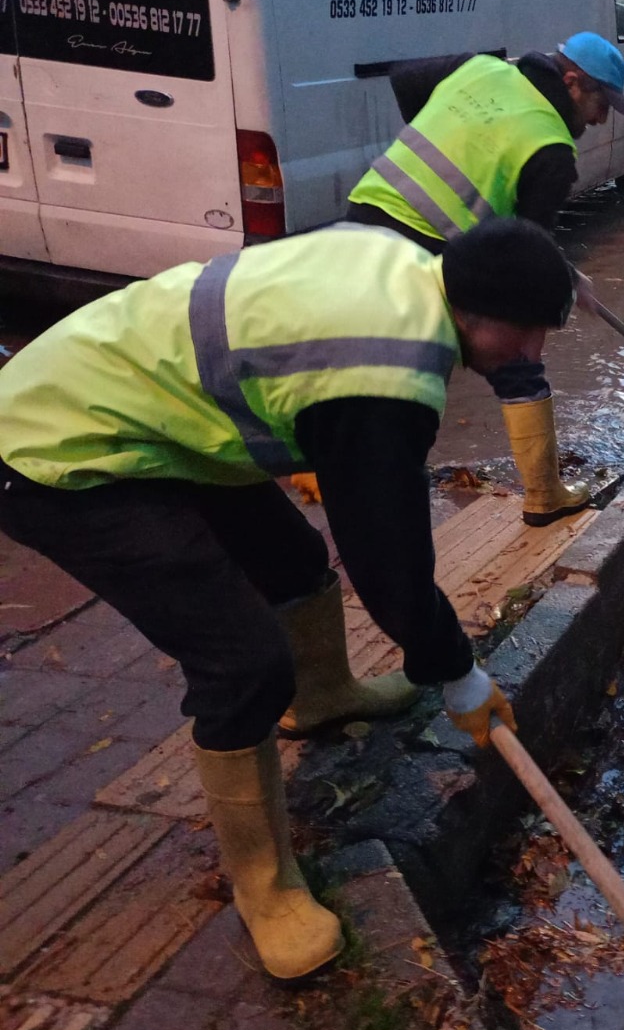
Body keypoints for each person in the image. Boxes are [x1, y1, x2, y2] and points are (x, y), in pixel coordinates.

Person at [0, 217, 568, 980]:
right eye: (527, 331)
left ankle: (324, 695)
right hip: (58, 448)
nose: (532, 353)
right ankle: (264, 889)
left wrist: (321, 443)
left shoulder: (405, 269)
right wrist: (456, 671)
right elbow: (390, 564)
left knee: (293, 559)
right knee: (242, 664)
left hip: (148, 405)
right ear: (477, 309)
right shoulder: (387, 372)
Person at [342, 31, 624, 526]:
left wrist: (457, 136)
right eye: (601, 103)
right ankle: (543, 494)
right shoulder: (551, 148)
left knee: (364, 361)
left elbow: (403, 77)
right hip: (430, 252)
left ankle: (343, 475)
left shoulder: (479, 68)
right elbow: (527, 256)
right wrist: (566, 285)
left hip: (363, 218)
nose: (602, 118)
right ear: (571, 81)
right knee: (509, 359)